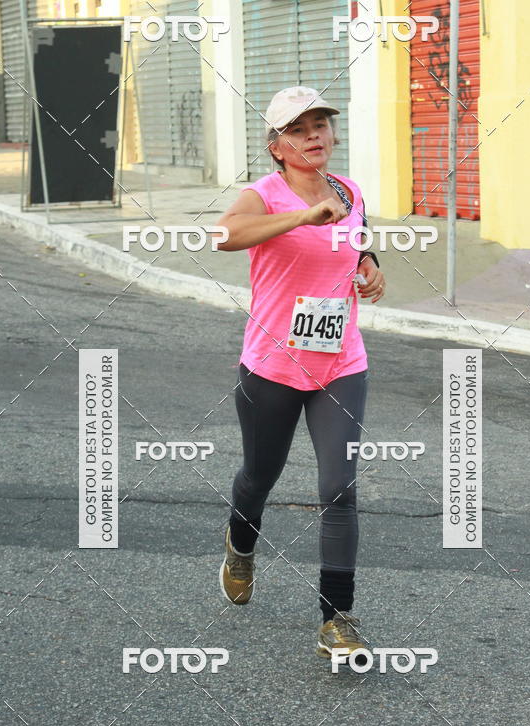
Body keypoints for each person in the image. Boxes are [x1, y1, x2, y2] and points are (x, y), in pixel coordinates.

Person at [215, 85, 385, 660]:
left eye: (320, 124)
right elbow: (224, 235)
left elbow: (354, 242)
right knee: (258, 477)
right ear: (277, 146)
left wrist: (370, 264)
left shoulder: (349, 191)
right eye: (298, 128)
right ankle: (241, 544)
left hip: (341, 362)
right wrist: (303, 215)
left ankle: (337, 618)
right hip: (272, 366)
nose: (313, 135)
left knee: (339, 488)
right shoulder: (262, 195)